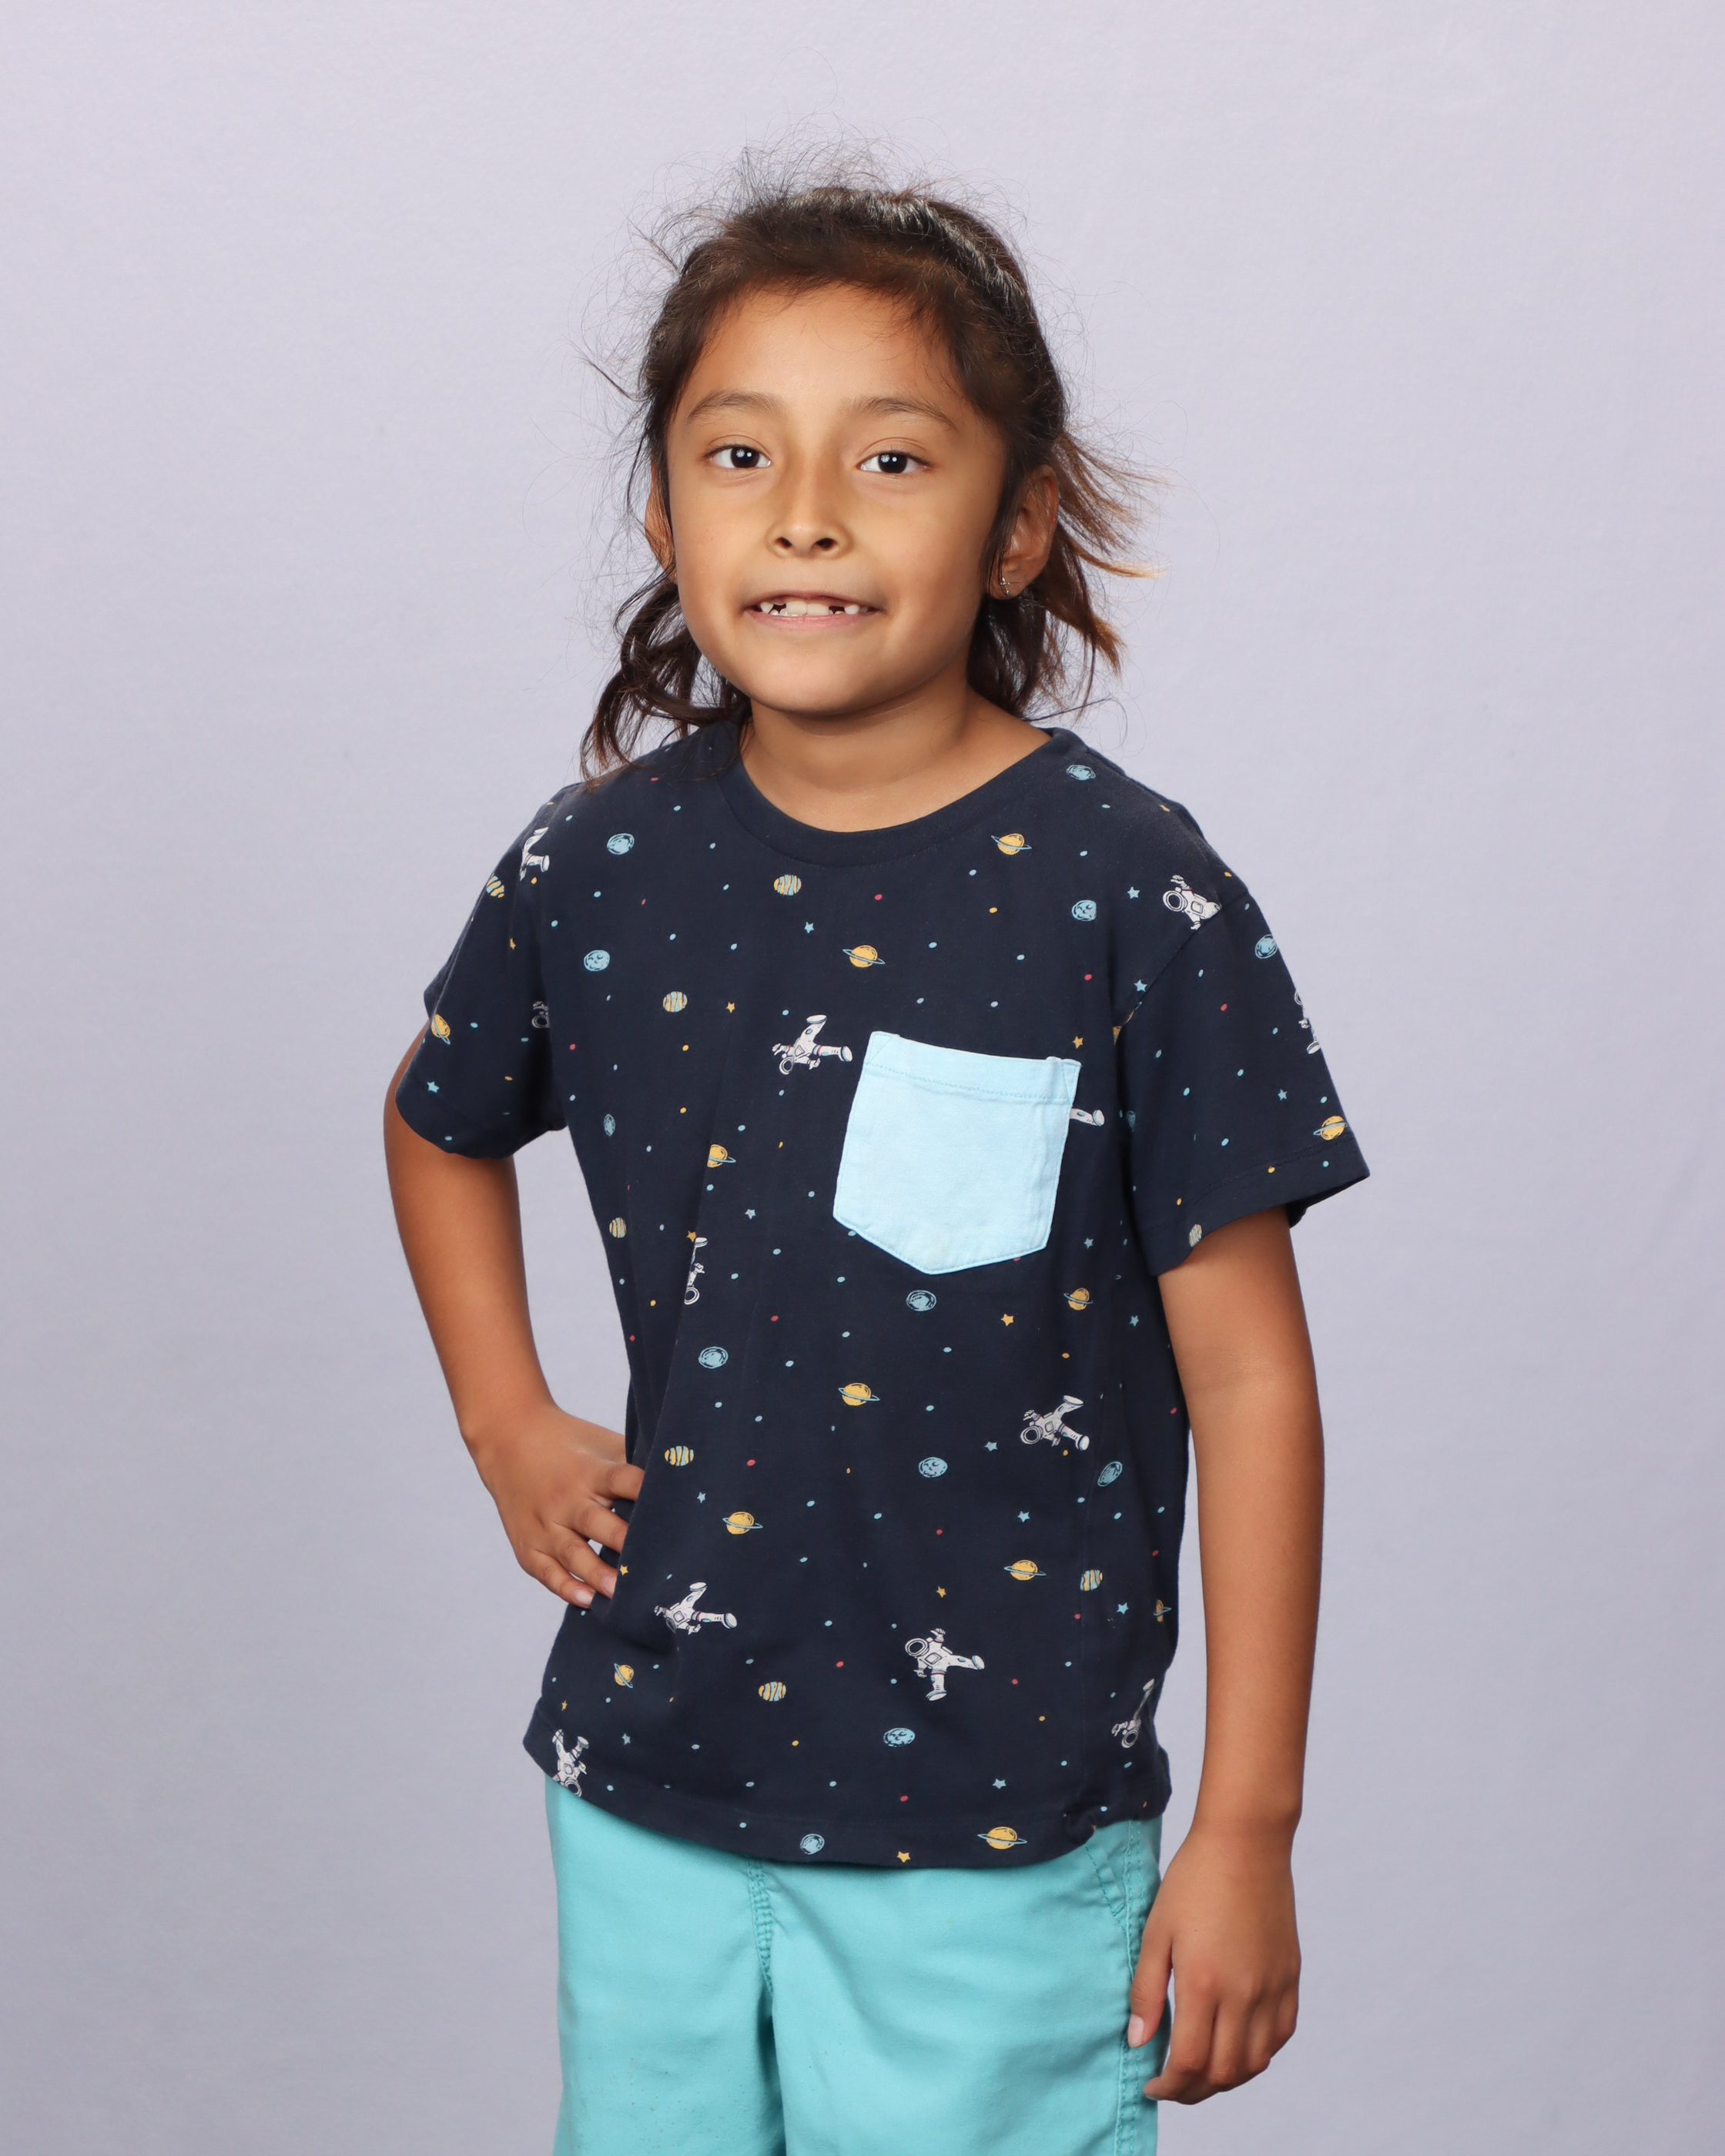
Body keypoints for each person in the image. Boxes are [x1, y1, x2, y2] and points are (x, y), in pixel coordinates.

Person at [384, 167, 1368, 2156]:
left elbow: (1255, 1382)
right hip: (648, 1781)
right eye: (740, 453)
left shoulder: (1130, 892)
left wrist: (1250, 1823)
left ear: (1017, 525)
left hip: (993, 1828)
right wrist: (506, 1421)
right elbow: (436, 1120)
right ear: (664, 517)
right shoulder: (596, 863)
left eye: (892, 459)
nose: (809, 514)